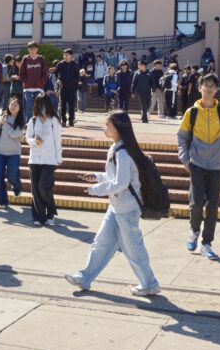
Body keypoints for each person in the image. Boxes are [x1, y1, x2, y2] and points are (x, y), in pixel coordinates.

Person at [66, 111, 161, 296]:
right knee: (101, 243)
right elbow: (113, 177)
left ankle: (150, 284)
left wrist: (96, 189)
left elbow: (121, 183)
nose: (104, 127)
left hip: (127, 209)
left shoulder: (123, 153)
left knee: (133, 249)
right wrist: (97, 177)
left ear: (117, 128)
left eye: (107, 124)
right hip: (116, 207)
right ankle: (84, 278)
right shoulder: (116, 149)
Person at [178, 73, 220, 260]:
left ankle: (206, 243)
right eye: (206, 85)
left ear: (215, 89)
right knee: (196, 203)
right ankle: (194, 231)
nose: (209, 88)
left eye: (212, 85)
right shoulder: (192, 113)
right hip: (196, 163)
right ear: (200, 88)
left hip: (217, 166)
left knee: (212, 206)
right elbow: (182, 137)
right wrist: (185, 158)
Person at [26, 93, 62, 226]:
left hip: (49, 159)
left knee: (43, 187)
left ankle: (51, 212)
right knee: (35, 189)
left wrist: (59, 157)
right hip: (34, 159)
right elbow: (28, 138)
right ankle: (38, 217)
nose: (42, 107)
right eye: (39, 104)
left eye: (44, 104)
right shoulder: (32, 120)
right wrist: (34, 141)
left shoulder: (54, 121)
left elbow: (58, 141)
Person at [0, 97, 25, 209]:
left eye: (16, 105)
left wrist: (5, 125)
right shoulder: (3, 118)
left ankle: (17, 187)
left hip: (14, 153)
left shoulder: (21, 120)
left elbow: (15, 134)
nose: (13, 106)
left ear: (19, 108)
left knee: (12, 176)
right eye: (11, 104)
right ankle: (3, 201)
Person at [20, 41, 48, 124]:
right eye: (31, 48)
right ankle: (29, 124)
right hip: (28, 88)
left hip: (39, 88)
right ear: (28, 49)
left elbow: (44, 73)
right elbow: (21, 73)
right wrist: (26, 81)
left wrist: (41, 82)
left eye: (34, 48)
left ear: (37, 49)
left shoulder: (41, 59)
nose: (32, 50)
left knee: (40, 107)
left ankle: (41, 123)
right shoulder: (25, 59)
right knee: (28, 107)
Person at [55, 49, 80, 127]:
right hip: (63, 87)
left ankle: (71, 120)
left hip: (72, 88)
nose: (65, 56)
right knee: (63, 104)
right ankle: (64, 120)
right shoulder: (60, 64)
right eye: (64, 55)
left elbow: (77, 76)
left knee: (72, 104)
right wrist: (57, 79)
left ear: (71, 55)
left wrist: (74, 83)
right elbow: (55, 73)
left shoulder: (75, 64)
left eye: (67, 55)